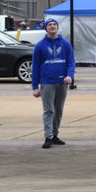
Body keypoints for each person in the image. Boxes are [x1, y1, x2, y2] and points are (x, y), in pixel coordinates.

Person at [31, 19, 76, 149]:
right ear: (46, 28)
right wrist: (35, 87)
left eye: (54, 24)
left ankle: (55, 135)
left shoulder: (65, 44)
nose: (52, 26)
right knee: (49, 110)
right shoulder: (40, 46)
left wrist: (69, 76)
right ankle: (48, 136)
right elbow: (35, 67)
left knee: (58, 110)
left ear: (57, 27)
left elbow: (71, 62)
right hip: (47, 82)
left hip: (62, 83)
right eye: (49, 25)